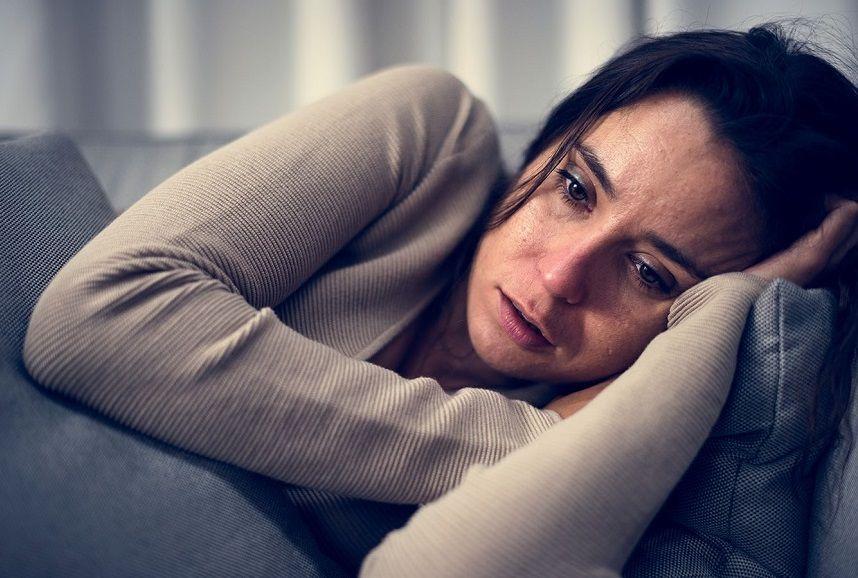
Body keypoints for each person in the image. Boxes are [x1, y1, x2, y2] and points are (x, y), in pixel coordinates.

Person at [22, 22, 857, 576]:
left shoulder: (635, 444)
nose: (561, 277)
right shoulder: (432, 139)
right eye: (574, 188)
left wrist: (731, 310)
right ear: (547, 143)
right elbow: (91, 318)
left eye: (649, 274)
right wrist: (529, 443)